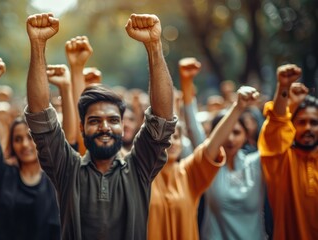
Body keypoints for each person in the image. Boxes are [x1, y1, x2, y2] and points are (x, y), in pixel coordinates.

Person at [24, 13, 176, 240]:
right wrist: (37, 44)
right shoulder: (67, 168)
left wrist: (154, 46)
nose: (105, 127)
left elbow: (162, 118)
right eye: (94, 121)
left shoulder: (139, 168)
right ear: (82, 128)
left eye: (113, 120)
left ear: (123, 127)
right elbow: (40, 117)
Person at [148, 85, 259, 240]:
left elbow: (210, 147)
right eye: (165, 137)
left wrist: (238, 108)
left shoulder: (189, 172)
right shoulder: (140, 173)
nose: (171, 142)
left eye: (176, 136)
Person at [0, 58, 61, 240]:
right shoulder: (3, 175)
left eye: (30, 137)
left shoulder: (56, 177)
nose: (24, 144)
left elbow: (71, 140)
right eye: (18, 139)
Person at [258, 64, 318, 240]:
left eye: (314, 122)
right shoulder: (282, 160)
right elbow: (277, 124)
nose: (308, 128)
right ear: (292, 125)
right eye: (301, 122)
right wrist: (283, 88)